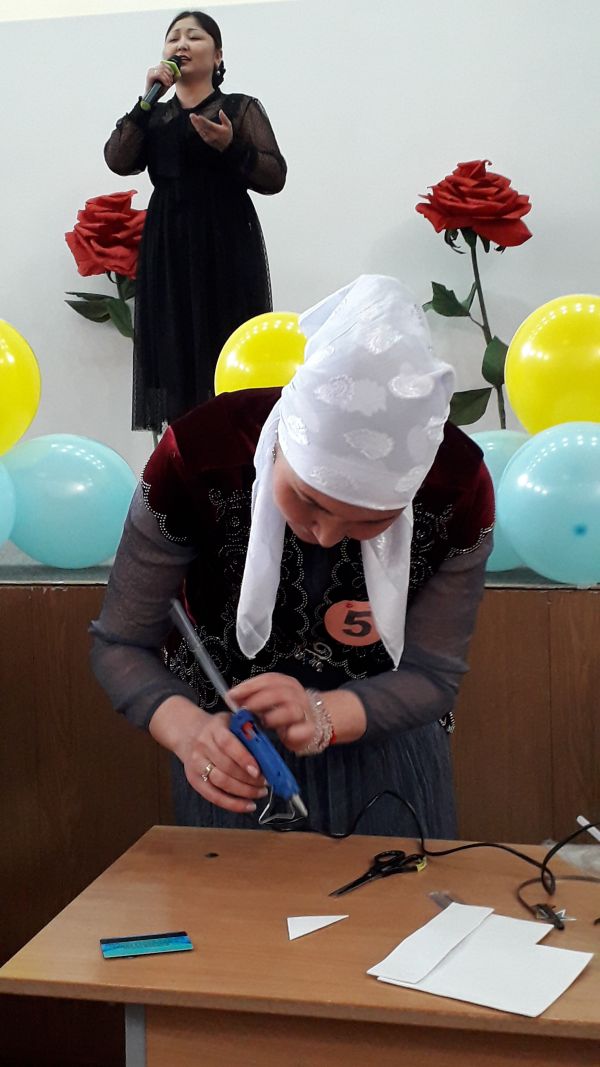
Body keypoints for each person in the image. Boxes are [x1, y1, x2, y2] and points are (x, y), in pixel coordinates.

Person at [91, 275, 494, 838]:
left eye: (370, 522)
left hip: (387, 755)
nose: (326, 535)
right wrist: (187, 729)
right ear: (279, 448)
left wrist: (326, 714)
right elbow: (120, 642)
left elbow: (433, 673)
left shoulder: (456, 485)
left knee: (396, 896)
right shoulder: (200, 456)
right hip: (232, 760)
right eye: (308, 501)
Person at [104, 10, 287, 432]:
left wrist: (231, 146)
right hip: (168, 245)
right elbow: (117, 159)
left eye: (194, 37)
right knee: (175, 354)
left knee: (226, 346)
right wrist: (146, 101)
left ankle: (240, 457)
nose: (182, 45)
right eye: (174, 38)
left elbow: (274, 176)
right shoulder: (154, 116)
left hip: (224, 240)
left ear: (218, 55)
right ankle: (187, 454)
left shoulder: (239, 108)